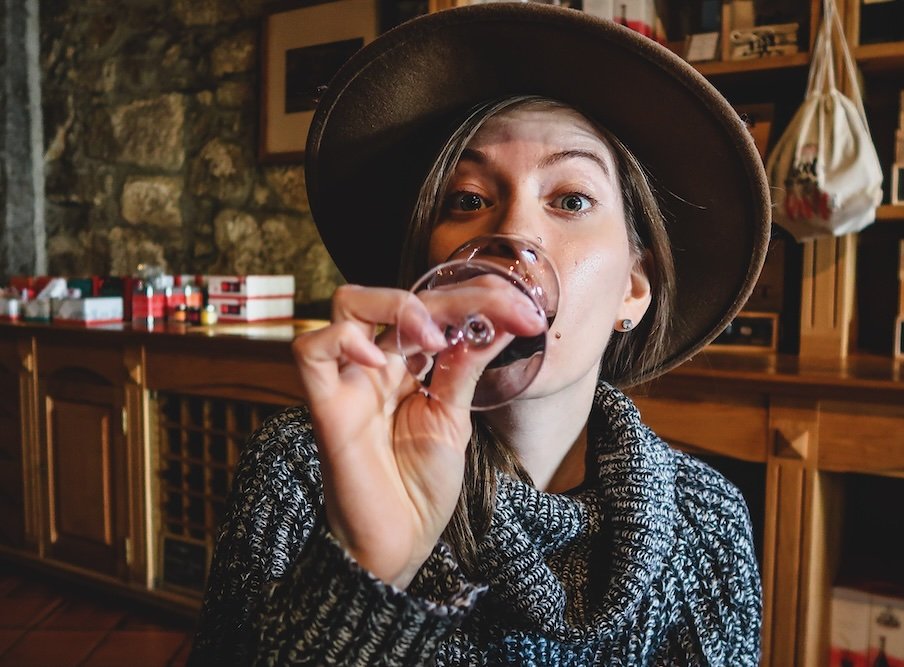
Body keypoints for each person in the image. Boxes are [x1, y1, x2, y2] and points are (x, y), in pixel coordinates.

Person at [189, 3, 770, 666]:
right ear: (430, 270)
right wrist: (368, 574)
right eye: (467, 199)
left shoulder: (707, 523)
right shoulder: (304, 468)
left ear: (635, 288)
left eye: (571, 199)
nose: (513, 235)